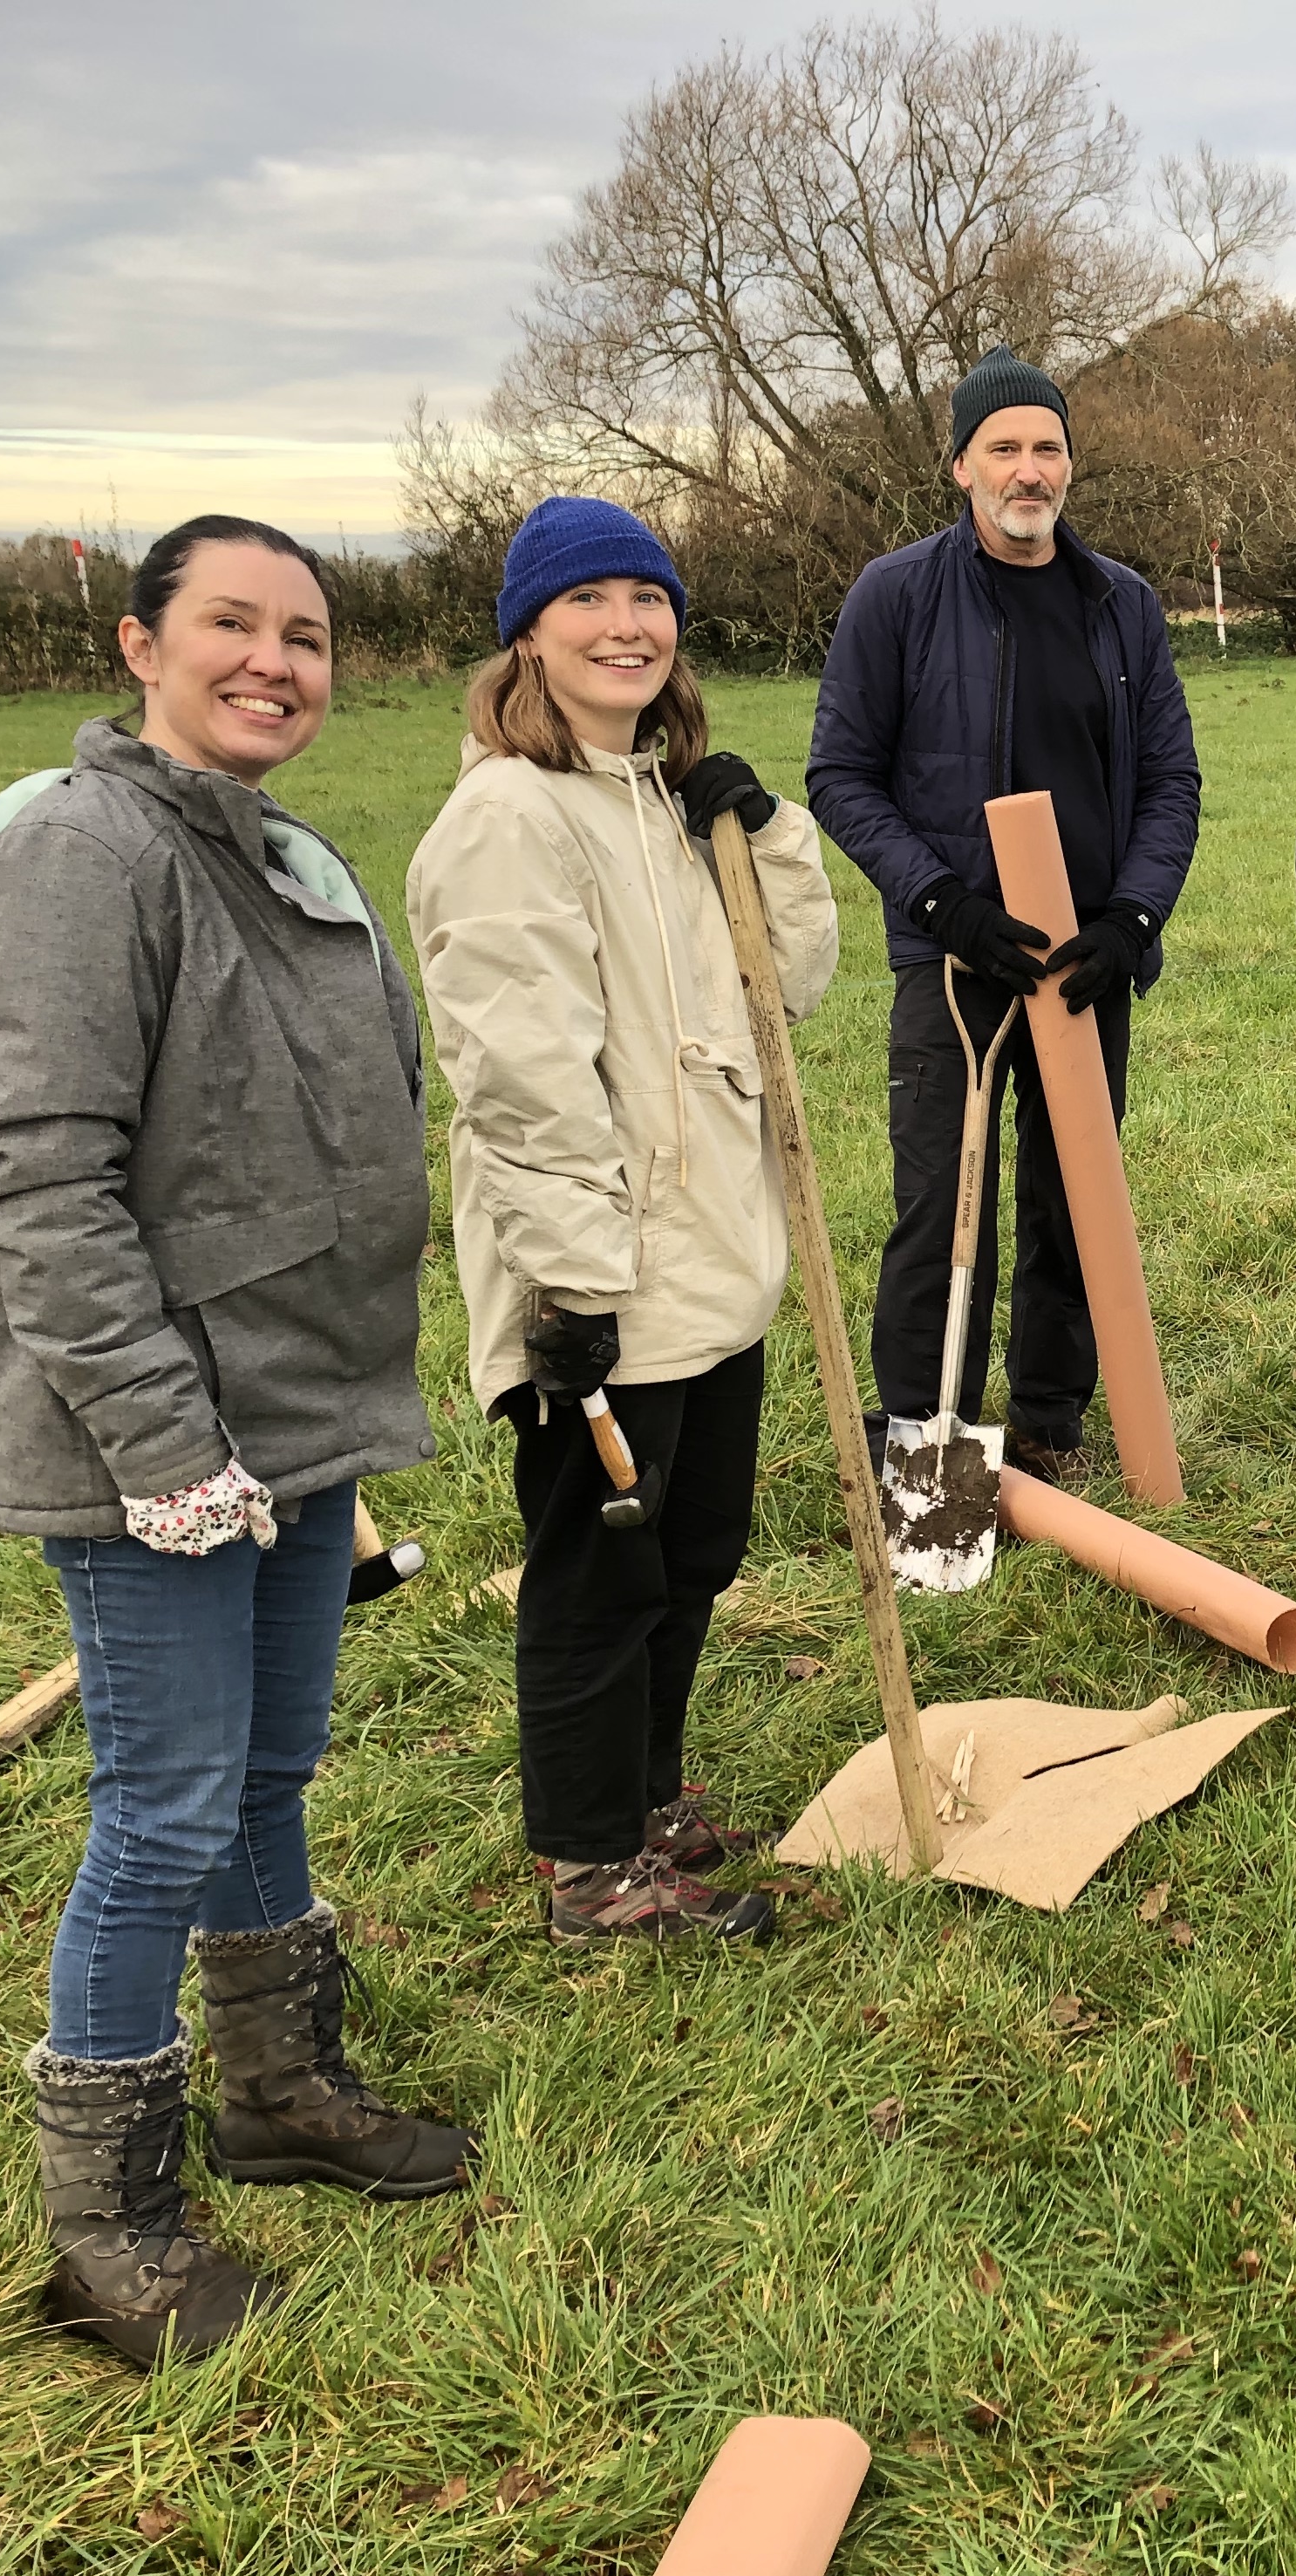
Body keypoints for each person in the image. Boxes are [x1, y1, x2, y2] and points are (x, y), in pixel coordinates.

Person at [0, 514, 469, 2370]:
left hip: (295, 1401)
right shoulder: (83, 855)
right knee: (162, 1808)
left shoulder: (278, 849)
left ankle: (280, 2089)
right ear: (139, 643)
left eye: (307, 635)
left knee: (269, 1769)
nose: (275, 661)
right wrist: (164, 1446)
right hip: (147, 1430)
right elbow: (33, 1176)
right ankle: (109, 2226)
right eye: (232, 626)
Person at [410, 497, 840, 1944]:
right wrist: (575, 1286)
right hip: (601, 1279)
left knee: (692, 1554)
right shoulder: (511, 819)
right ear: (528, 636)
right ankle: (591, 1867)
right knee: (600, 1578)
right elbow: (521, 1076)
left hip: (714, 1265)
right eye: (587, 600)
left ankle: (648, 1800)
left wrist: (762, 830)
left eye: (646, 598)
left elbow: (801, 983)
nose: (625, 626)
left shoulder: (661, 797)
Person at [807, 345, 1201, 1501]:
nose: (1029, 471)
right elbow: (841, 776)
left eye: (1047, 448)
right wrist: (944, 903)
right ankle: (929, 1463)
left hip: (1085, 964)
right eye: (1004, 449)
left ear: (1068, 464)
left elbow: (1171, 780)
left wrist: (1131, 918)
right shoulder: (897, 595)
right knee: (944, 1211)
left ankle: (1046, 1421)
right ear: (961, 467)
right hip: (957, 960)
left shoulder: (1120, 605)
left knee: (1077, 1198)